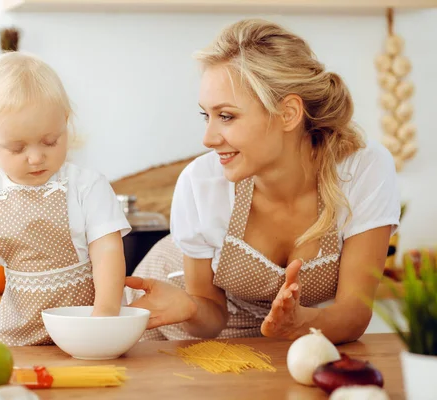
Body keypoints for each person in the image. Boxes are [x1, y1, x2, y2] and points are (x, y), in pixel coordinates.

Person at [125, 19, 401, 345]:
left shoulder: (360, 169)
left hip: (288, 340)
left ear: (288, 113)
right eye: (206, 115)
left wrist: (301, 322)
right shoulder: (201, 183)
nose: (208, 138)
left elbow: (353, 315)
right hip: (174, 325)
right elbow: (209, 320)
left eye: (226, 116)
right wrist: (189, 307)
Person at [0, 51, 131, 356]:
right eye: (17, 147)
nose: (36, 157)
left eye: (50, 141)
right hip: (17, 340)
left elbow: (108, 250)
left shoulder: (86, 187)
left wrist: (105, 314)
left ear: (65, 123)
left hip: (89, 334)